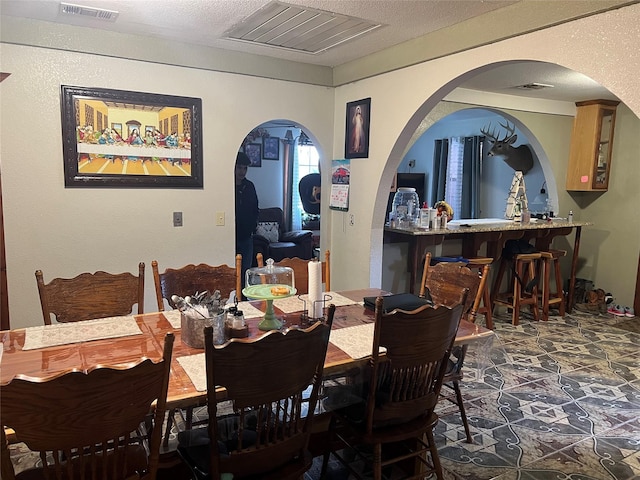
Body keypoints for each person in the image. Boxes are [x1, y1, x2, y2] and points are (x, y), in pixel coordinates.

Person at [235, 152, 259, 287]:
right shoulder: (228, 186)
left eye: (244, 168)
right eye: (239, 168)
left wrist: (253, 225)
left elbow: (255, 207)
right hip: (232, 236)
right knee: (232, 270)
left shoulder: (249, 186)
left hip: (247, 236)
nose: (242, 171)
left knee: (246, 271)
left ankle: (244, 299)